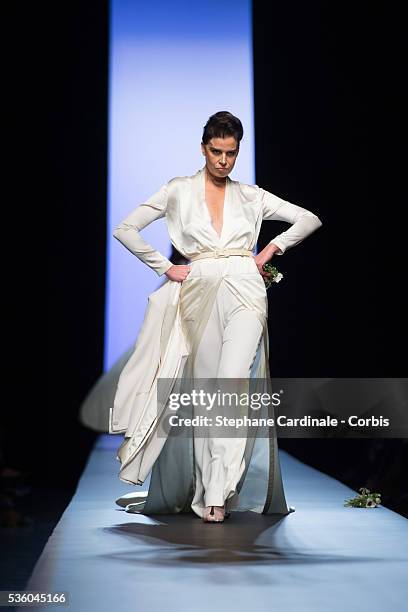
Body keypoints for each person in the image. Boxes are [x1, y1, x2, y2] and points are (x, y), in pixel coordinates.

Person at [109, 111, 322, 523]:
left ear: (238, 151)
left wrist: (268, 251)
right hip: (199, 287)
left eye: (231, 153)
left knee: (232, 388)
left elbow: (308, 219)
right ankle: (208, 489)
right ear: (203, 147)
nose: (223, 161)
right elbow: (126, 228)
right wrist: (164, 266)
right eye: (216, 151)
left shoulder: (252, 195)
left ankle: (218, 494)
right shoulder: (178, 190)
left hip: (245, 287)